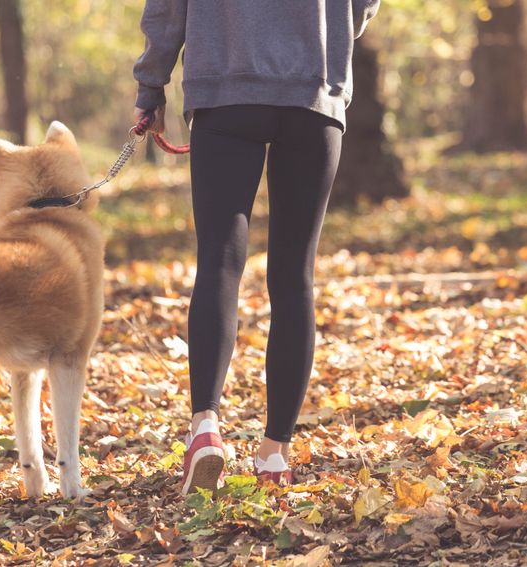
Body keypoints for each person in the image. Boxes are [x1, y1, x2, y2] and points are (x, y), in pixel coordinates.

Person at [133, 1, 380, 494]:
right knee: (294, 276)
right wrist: (332, 30)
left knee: (220, 262)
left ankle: (205, 425)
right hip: (313, 90)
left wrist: (151, 84)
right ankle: (274, 455)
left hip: (225, 87)